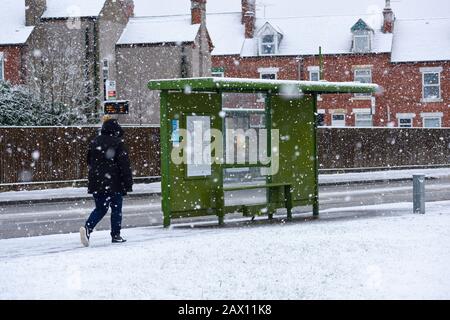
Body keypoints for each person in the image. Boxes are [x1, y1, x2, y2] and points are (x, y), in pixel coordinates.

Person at [80, 117, 133, 247]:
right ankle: (116, 235)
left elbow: (89, 161)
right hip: (114, 182)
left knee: (100, 208)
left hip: (96, 182)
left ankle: (87, 228)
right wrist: (128, 183)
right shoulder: (118, 143)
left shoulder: (94, 142)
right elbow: (124, 165)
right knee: (116, 209)